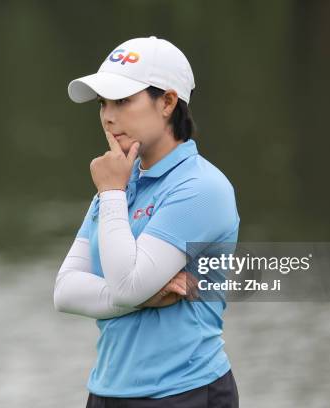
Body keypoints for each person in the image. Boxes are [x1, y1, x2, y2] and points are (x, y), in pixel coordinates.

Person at [54, 36, 241, 408]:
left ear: (168, 102)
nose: (108, 115)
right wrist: (141, 300)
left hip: (182, 392)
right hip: (106, 391)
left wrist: (110, 194)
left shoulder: (201, 187)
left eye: (123, 101)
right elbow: (65, 291)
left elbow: (124, 286)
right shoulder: (120, 184)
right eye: (103, 103)